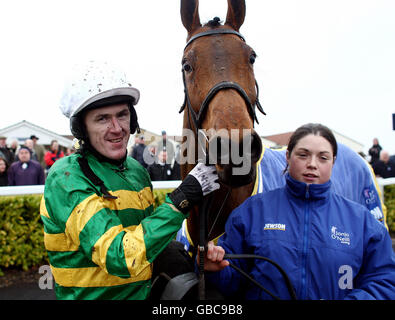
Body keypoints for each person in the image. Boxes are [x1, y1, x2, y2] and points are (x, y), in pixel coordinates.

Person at [40, 61, 220, 300]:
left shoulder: (136, 171)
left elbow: (145, 243)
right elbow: (121, 258)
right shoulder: (66, 178)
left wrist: (195, 258)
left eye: (122, 115)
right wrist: (181, 200)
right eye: (102, 119)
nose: (117, 128)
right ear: (81, 128)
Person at [204, 123, 395, 300]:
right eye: (303, 155)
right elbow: (233, 281)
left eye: (323, 157)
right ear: (288, 156)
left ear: (333, 162)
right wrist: (215, 269)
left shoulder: (361, 222)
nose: (312, 164)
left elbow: (385, 282)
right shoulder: (251, 213)